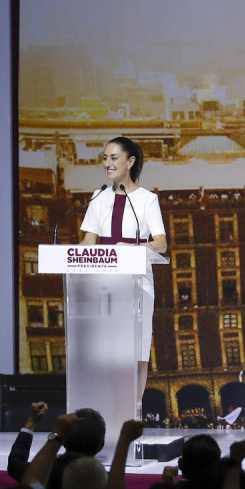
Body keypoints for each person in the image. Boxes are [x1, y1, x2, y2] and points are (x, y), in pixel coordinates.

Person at [79, 136, 167, 399]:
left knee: (138, 350)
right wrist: (77, 252)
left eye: (113, 158)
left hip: (137, 283)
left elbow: (161, 243)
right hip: (103, 283)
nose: (108, 163)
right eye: (104, 158)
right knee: (106, 349)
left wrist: (133, 249)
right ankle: (105, 404)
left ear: (130, 162)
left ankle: (134, 410)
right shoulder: (98, 197)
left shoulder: (146, 200)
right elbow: (88, 240)